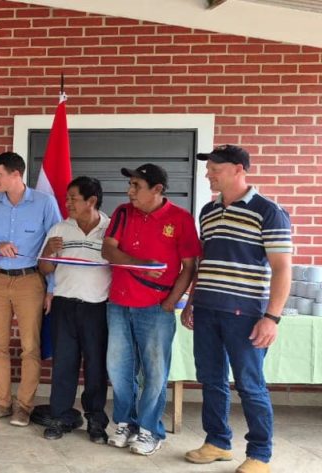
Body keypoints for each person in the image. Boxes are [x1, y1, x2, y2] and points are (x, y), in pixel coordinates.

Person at [182, 145, 291, 473]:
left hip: (245, 314)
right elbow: (205, 262)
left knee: (249, 383)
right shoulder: (208, 211)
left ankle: (260, 454)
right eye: (208, 169)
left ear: (238, 169)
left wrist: (272, 317)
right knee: (211, 378)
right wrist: (192, 300)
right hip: (206, 309)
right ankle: (217, 442)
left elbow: (283, 268)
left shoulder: (268, 211)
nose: (208, 174)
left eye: (214, 168)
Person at [101, 163, 201, 455]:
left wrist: (172, 301)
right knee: (119, 368)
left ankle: (149, 429)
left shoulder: (180, 219)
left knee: (155, 371)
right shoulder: (122, 212)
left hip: (156, 307)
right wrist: (141, 265)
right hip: (119, 302)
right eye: (130, 185)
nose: (130, 191)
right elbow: (108, 249)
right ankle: (125, 422)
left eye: (136, 186)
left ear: (157, 190)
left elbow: (190, 266)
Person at [0, 151, 61, 426]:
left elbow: (56, 245)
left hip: (30, 281)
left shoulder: (44, 203)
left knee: (30, 347)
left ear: (16, 174)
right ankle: (2, 402)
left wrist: (51, 288)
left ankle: (24, 406)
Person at [37, 176, 111, 443]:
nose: (67, 203)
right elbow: (44, 269)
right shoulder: (60, 228)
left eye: (73, 198)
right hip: (64, 306)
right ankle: (60, 417)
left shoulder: (110, 229)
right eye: (67, 198)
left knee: (95, 367)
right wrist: (48, 251)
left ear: (91, 201)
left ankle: (95, 421)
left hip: (97, 308)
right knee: (64, 364)